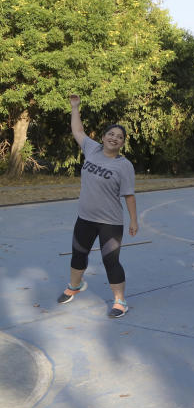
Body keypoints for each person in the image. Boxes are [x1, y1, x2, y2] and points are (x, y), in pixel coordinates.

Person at [58, 94, 137, 318]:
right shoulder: (91, 149)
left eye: (119, 137)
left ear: (122, 143)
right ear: (103, 137)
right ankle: (75, 286)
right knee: (78, 254)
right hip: (85, 217)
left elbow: (129, 195)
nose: (114, 138)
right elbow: (78, 131)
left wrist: (133, 220)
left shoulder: (124, 166)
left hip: (110, 222)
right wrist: (75, 107)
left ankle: (120, 302)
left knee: (110, 260)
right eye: (111, 134)